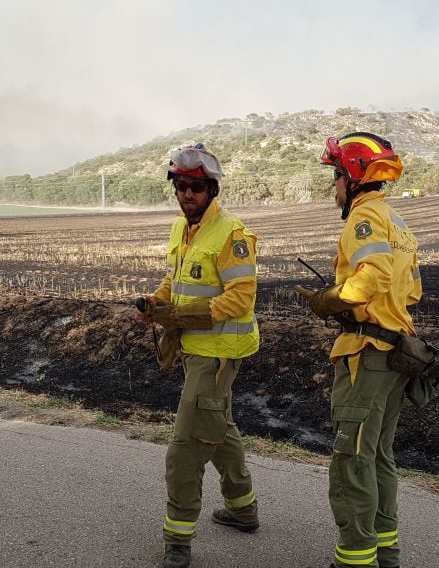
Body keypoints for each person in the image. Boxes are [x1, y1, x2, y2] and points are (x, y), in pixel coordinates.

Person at [294, 132, 421, 568]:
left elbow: (374, 276)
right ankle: (386, 553)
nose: (334, 187)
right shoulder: (398, 223)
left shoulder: (362, 218)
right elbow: (412, 291)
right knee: (379, 456)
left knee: (351, 459)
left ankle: (354, 560)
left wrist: (332, 299)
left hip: (367, 352)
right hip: (396, 354)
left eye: (335, 176)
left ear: (351, 175)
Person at [135, 143, 260, 568]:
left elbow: (240, 299)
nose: (187, 193)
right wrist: (155, 303)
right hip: (193, 349)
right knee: (217, 426)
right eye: (181, 185)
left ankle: (178, 537)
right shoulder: (180, 229)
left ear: (212, 188)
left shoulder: (231, 234)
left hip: (220, 353)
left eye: (196, 187)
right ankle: (243, 509)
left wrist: (183, 316)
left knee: (187, 444)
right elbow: (175, 279)